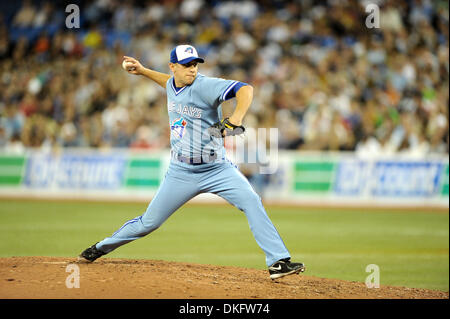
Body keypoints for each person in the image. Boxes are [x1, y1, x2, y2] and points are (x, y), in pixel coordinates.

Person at [78, 44, 305, 279]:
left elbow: (245, 89)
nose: (192, 69)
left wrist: (235, 118)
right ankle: (100, 248)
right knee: (149, 223)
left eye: (195, 64)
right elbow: (168, 82)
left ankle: (278, 261)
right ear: (173, 66)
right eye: (187, 65)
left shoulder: (205, 85)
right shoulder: (171, 84)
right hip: (181, 171)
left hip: (217, 167)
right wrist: (144, 71)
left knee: (251, 200)